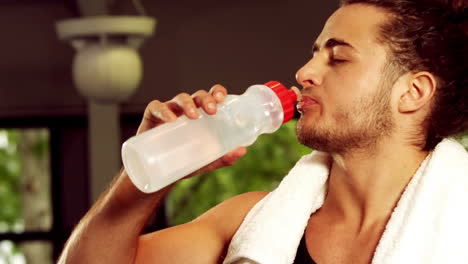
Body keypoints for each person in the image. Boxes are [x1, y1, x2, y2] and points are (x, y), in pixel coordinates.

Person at [57, 0, 467, 263]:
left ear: (412, 92)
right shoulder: (249, 222)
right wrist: (145, 177)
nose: (305, 73)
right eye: (314, 54)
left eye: (337, 58)